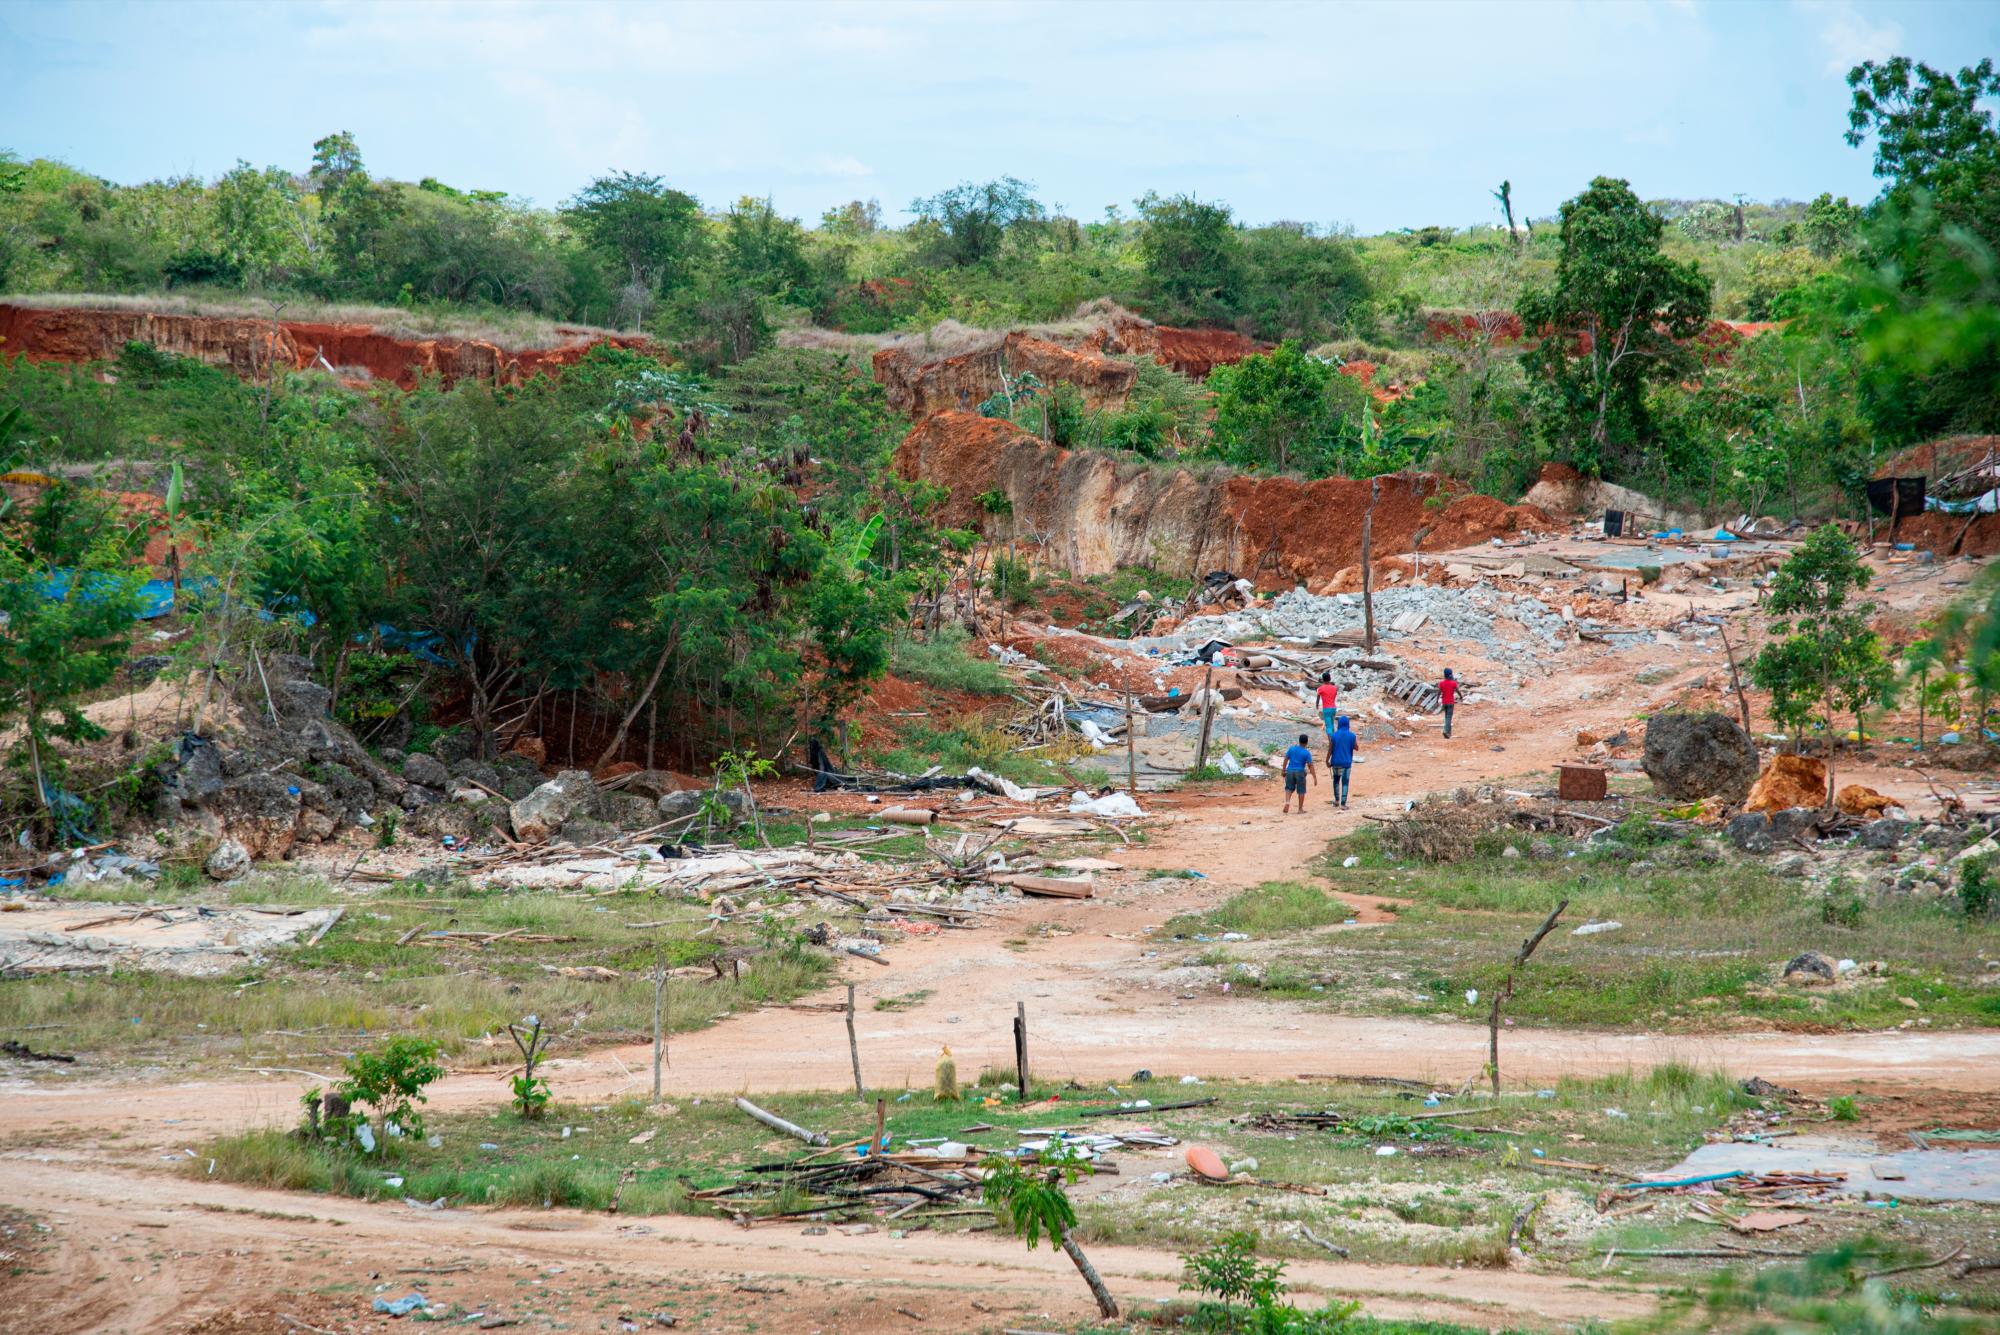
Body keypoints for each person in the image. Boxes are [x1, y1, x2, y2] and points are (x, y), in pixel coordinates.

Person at [1280, 732, 1318, 814]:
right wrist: (1314, 777)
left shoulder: (1292, 749)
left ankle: (1287, 802)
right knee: (1301, 791)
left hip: (1290, 770)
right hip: (1300, 771)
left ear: (1299, 741)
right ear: (1306, 742)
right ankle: (1300, 809)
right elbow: (1310, 765)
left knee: (1288, 788)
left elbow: (1286, 759)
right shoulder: (1306, 753)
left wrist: (1283, 770)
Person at [1327, 715, 1357, 808]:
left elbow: (1330, 749)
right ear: (1348, 724)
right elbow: (1356, 747)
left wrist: (1326, 760)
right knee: (1345, 782)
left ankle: (1336, 800)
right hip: (1346, 763)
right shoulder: (1352, 735)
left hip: (1335, 762)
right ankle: (1343, 804)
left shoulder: (1334, 735)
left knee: (1336, 781)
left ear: (1339, 724)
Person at [1315, 672, 1340, 741]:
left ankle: (1331, 742)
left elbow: (1318, 698)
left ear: (1323, 679)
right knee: (1332, 724)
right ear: (1330, 679)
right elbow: (1334, 697)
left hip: (1326, 709)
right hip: (1334, 708)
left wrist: (1317, 705)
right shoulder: (1334, 688)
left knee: (1328, 726)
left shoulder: (1320, 688)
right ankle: (1335, 739)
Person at [1439, 668, 1458, 739]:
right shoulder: (1453, 683)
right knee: (1449, 717)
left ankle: (1449, 733)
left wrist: (1437, 700)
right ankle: (1445, 731)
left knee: (1446, 717)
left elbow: (1439, 692)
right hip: (1451, 702)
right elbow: (1457, 690)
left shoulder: (1441, 683)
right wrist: (1461, 697)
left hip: (1444, 702)